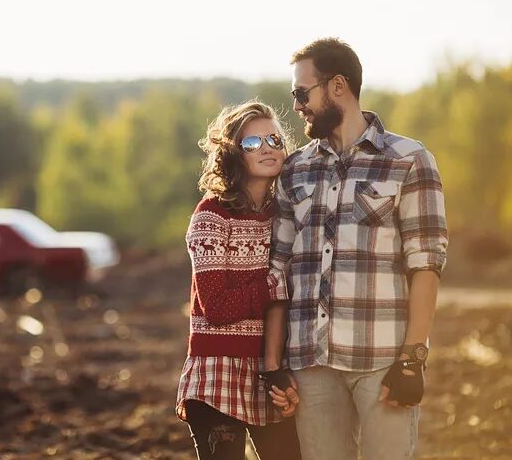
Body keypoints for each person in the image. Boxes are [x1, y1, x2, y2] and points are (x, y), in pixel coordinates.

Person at [265, 38, 449, 460]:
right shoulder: (295, 169)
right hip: (311, 367)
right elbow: (279, 269)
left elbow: (426, 264)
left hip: (382, 362)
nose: (296, 105)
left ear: (337, 86)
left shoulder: (410, 160)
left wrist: (413, 359)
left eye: (301, 92)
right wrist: (274, 364)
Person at [176, 100, 302, 460]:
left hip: (272, 373)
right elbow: (216, 307)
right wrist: (275, 285)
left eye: (274, 140)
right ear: (233, 154)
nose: (266, 148)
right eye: (252, 143)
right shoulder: (211, 216)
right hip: (218, 375)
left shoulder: (285, 215)